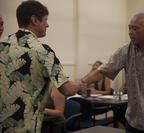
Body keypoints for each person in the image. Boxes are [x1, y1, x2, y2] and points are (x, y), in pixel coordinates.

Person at [0, 1, 86, 132]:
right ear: (34, 19)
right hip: (26, 127)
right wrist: (79, 84)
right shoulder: (43, 51)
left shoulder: (2, 44)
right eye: (45, 20)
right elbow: (67, 90)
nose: (47, 24)